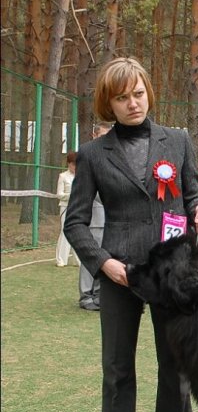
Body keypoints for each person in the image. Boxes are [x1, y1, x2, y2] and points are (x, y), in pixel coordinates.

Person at [64, 57, 198, 412]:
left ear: (149, 90)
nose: (133, 103)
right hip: (119, 274)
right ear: (108, 103)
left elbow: (193, 195)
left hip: (173, 276)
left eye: (139, 93)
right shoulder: (92, 154)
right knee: (117, 373)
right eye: (122, 97)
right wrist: (104, 264)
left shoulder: (179, 141)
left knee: (176, 372)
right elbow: (75, 223)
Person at [78, 121, 113, 311]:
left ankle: (100, 295)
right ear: (94, 136)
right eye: (101, 136)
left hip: (111, 221)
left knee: (105, 259)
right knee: (90, 258)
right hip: (94, 220)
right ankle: (85, 295)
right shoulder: (87, 156)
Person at [55, 151, 80, 267]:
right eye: (73, 164)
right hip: (66, 207)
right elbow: (59, 194)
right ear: (68, 164)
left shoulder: (81, 176)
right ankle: (61, 259)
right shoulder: (63, 176)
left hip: (78, 207)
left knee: (78, 231)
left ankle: (78, 259)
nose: (74, 167)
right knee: (65, 232)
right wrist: (70, 195)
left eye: (76, 164)